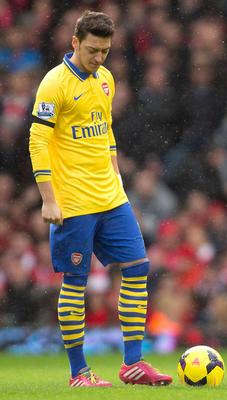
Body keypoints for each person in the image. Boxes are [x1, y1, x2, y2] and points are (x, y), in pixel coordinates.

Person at [28, 11, 172, 387]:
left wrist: (117, 176)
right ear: (75, 42)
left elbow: (105, 131)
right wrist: (48, 199)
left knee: (138, 267)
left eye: (105, 51)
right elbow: (38, 142)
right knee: (76, 281)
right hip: (73, 201)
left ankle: (133, 364)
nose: (98, 58)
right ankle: (79, 372)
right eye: (92, 50)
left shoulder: (106, 79)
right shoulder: (54, 84)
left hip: (111, 197)